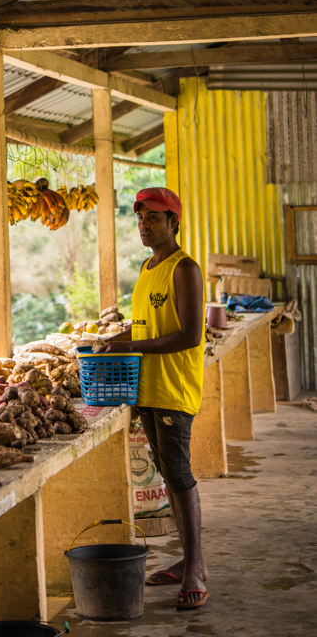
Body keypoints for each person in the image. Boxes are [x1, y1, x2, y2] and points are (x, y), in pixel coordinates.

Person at [103, 187, 208, 611]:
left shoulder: (184, 268)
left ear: (173, 223)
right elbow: (147, 326)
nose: (145, 225)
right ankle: (187, 561)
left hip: (173, 390)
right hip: (147, 388)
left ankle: (197, 570)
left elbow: (189, 334)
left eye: (154, 218)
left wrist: (135, 348)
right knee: (168, 473)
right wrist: (118, 339)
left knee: (179, 477)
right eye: (141, 218)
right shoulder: (148, 268)